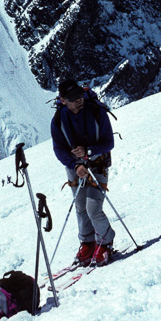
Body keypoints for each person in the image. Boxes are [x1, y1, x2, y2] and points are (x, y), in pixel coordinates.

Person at [51, 79, 116, 266]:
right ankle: (88, 242)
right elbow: (59, 149)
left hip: (97, 164)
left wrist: (88, 151)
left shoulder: (97, 112)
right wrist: (75, 165)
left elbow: (108, 143)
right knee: (80, 207)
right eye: (72, 98)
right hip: (75, 168)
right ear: (63, 100)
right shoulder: (58, 120)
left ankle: (106, 241)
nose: (78, 100)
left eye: (79, 95)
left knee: (93, 208)